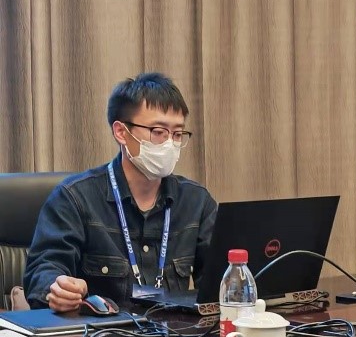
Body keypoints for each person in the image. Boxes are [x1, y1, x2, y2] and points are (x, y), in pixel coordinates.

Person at [24, 72, 217, 311]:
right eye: (158, 132)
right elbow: (44, 269)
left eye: (177, 134)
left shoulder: (197, 202)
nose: (169, 144)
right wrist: (59, 288)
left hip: (174, 332)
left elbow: (220, 283)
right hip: (102, 332)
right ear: (122, 132)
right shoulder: (75, 198)